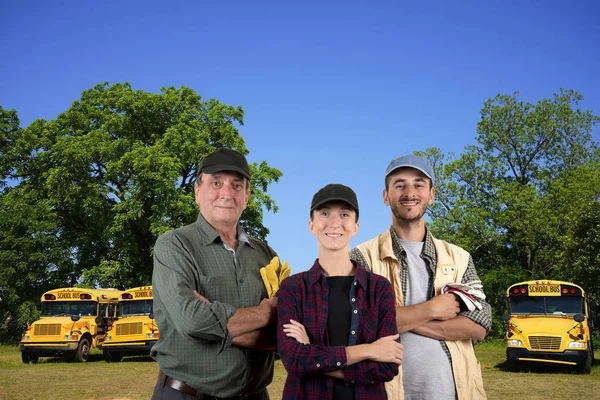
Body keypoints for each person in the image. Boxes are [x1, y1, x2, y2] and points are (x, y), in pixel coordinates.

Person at [350, 155, 492, 400]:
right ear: (386, 196)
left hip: (455, 391)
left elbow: (479, 325)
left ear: (431, 195)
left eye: (418, 184)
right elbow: (359, 324)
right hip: (384, 391)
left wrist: (400, 317)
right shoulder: (361, 258)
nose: (409, 192)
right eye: (399, 184)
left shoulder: (459, 258)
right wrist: (434, 308)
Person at [151, 148, 279, 400]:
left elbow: (286, 332)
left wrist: (215, 324)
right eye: (216, 183)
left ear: (247, 195)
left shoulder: (265, 254)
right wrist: (267, 312)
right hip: (187, 394)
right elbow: (193, 321)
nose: (226, 193)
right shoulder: (174, 245)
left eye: (236, 185)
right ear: (197, 191)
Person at [277, 183, 403, 399]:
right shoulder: (293, 288)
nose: (334, 223)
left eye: (344, 215)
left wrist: (314, 354)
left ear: (355, 227)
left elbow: (386, 367)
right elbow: (294, 360)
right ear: (312, 225)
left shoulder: (379, 288)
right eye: (325, 213)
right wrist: (369, 350)